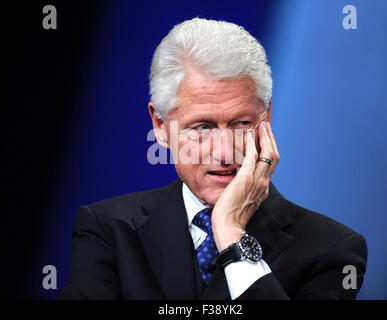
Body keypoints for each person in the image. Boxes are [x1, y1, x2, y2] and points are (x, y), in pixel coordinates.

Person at [58, 18, 367, 300]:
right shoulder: (109, 229)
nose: (224, 152)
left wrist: (231, 234)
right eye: (202, 126)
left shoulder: (331, 248)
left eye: (242, 123)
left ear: (267, 117)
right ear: (161, 126)